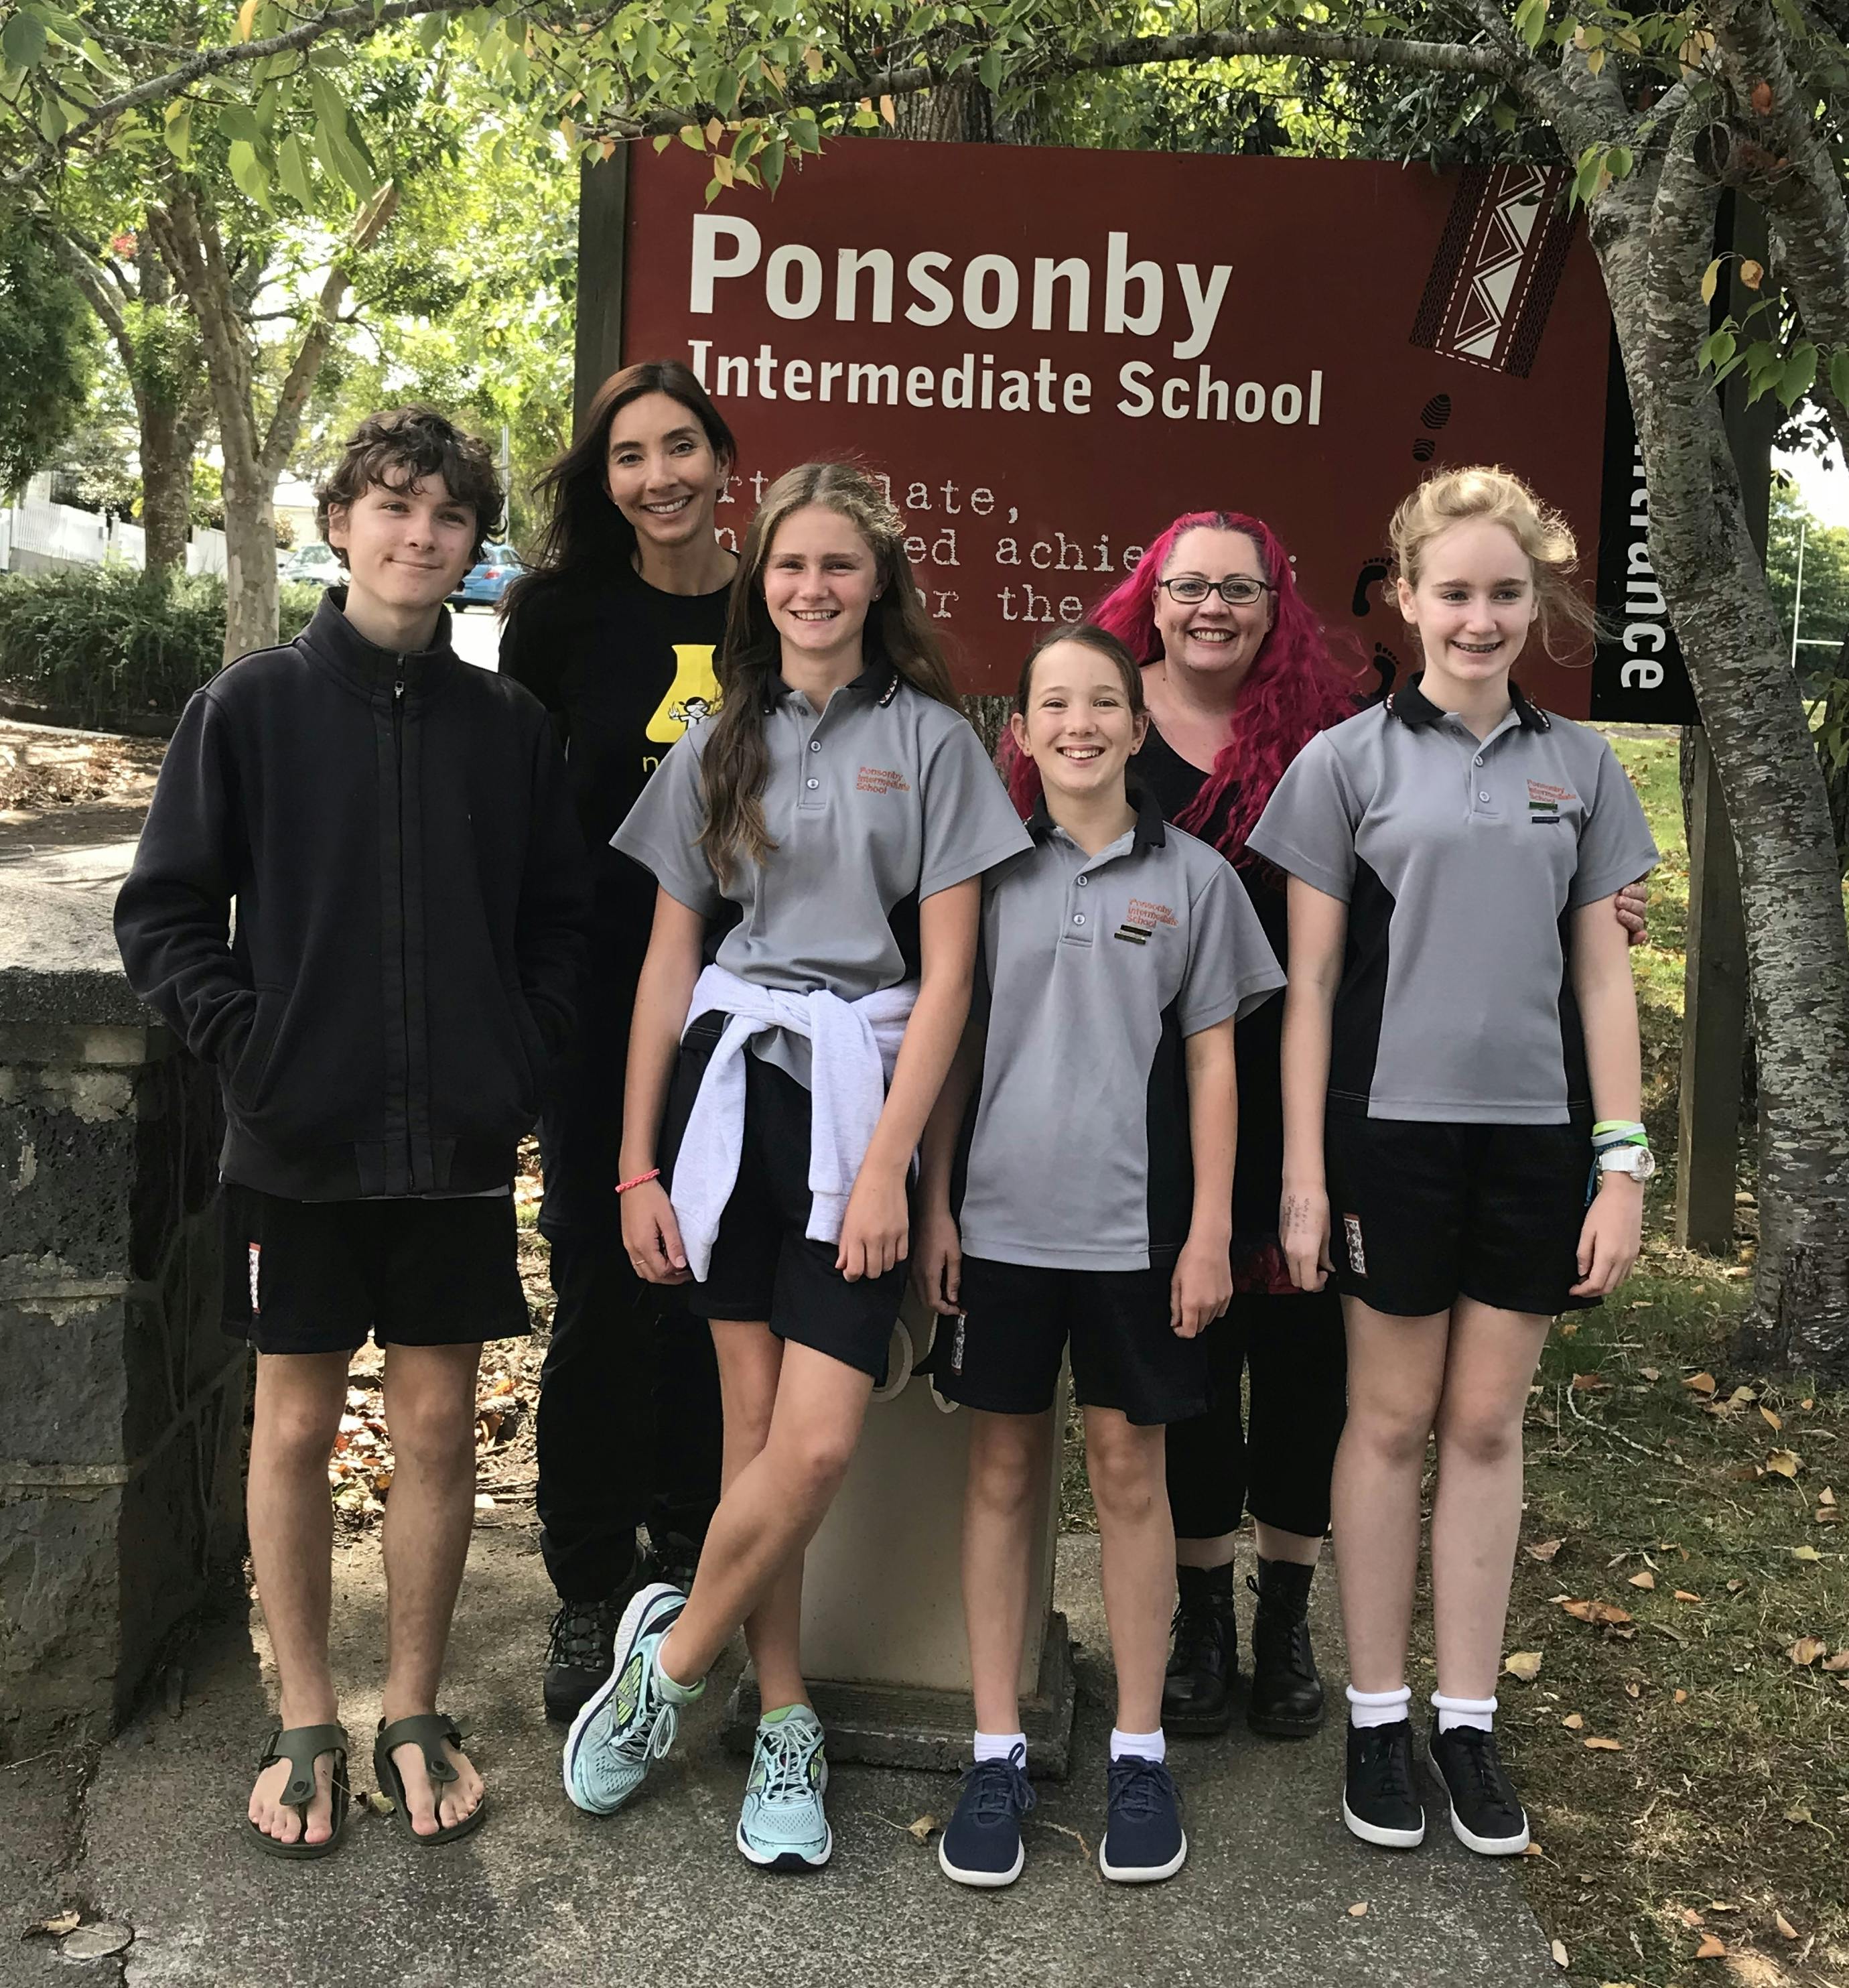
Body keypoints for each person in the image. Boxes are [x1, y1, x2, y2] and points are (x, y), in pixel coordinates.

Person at [1006, 510, 1650, 1745]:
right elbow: (1008, 868)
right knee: (1188, 1345)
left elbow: (1476, 867)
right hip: (1159, 1079)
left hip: (1323, 1077)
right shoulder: (1092, 714)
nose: (1212, 609)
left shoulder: (1317, 725)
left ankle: (1286, 1610)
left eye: (1239, 589)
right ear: (1153, 591)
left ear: (1274, 602)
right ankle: (1201, 1611)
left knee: (1308, 1359)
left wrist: (1588, 897)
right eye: (1189, 585)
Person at [115, 408, 588, 1855]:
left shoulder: (505, 727)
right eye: (392, 506)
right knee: (298, 1420)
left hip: (449, 1144)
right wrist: (254, 1046)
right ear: (337, 524)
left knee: (440, 1422)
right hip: (297, 1147)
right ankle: (307, 1711)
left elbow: (560, 928)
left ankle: (414, 1705)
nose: (419, 534)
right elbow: (167, 910)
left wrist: (513, 1062)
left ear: (471, 546)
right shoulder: (249, 707)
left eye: (448, 515)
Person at [561, 462, 1033, 1871]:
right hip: (727, 1099)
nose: (813, 587)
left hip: (854, 1110)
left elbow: (953, 980)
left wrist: (895, 1165)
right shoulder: (718, 736)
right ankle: (783, 1721)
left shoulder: (939, 741)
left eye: (839, 564)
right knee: (753, 1433)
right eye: (788, 566)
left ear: (878, 581)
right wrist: (636, 1164)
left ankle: (670, 1658)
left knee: (819, 1442)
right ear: (758, 585)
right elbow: (666, 965)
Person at [1250, 464, 1659, 1856]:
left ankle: (1466, 1719)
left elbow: (1603, 976)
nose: (1479, 618)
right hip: (1387, 1138)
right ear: (1408, 596)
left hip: (1536, 1144)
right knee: (1388, 1421)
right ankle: (1375, 1711)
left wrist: (1624, 1163)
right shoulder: (1345, 764)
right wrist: (1303, 1172)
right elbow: (1305, 988)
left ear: (1534, 601)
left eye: (1505, 593)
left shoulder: (1585, 768)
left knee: (1486, 1428)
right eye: (1455, 593)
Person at [916, 624, 1284, 1889]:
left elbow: (1215, 1066)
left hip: (1140, 1244)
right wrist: (936, 1206)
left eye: (1104, 704)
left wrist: (1210, 1235)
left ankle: (1139, 1750)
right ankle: (994, 1750)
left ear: (1140, 730)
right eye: (1052, 705)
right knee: (1005, 1478)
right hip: (1002, 1234)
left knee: (1133, 1479)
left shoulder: (1196, 883)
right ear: (1017, 731)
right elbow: (952, 1052)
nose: (1078, 723)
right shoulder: (983, 878)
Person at [500, 361, 732, 1725]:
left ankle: (695, 1549)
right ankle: (588, 1576)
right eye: (631, 455)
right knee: (600, 1283)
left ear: (721, 454)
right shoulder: (559, 617)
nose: (661, 476)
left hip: (745, 998)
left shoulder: (779, 606)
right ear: (605, 478)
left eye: (683, 445)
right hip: (595, 998)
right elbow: (524, 817)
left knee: (717, 1289)